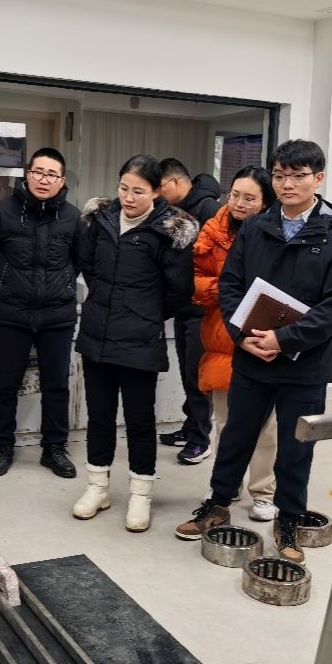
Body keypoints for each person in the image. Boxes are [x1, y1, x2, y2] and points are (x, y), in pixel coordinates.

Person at [176, 142, 332, 562]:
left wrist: (285, 340)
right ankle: (217, 504)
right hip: (251, 356)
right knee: (235, 437)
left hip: (305, 365)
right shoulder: (256, 227)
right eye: (279, 175)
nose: (287, 184)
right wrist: (241, 335)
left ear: (319, 178)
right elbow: (230, 285)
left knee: (296, 448)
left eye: (298, 176)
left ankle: (289, 519)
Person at [73, 155, 196, 533]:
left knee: (140, 420)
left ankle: (141, 494)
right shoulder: (101, 220)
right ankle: (98, 488)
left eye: (138, 191)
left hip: (140, 340)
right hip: (97, 334)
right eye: (124, 188)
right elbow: (87, 265)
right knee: (99, 417)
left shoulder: (167, 231)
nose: (128, 197)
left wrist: (144, 313)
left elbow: (179, 291)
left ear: (157, 192)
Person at [0, 148, 80, 479]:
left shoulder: (74, 218)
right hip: (11, 314)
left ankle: (55, 449)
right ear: (27, 174)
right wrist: (5, 290)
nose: (43, 180)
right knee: (5, 385)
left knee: (56, 386)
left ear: (61, 180)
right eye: (38, 172)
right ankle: (1, 447)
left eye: (51, 174)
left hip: (57, 316)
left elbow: (79, 262)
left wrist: (60, 287)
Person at [190, 166, 280, 522]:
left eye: (249, 198)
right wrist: (228, 290)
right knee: (226, 423)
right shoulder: (213, 230)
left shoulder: (276, 233)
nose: (239, 204)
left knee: (266, 427)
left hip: (263, 335)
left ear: (265, 202)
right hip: (222, 335)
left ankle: (263, 492)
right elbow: (196, 279)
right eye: (235, 195)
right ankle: (226, 487)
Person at [156, 158, 220, 463]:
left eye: (159, 187)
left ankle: (200, 439)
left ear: (175, 182)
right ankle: (190, 426)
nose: (157, 194)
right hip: (185, 306)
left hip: (202, 309)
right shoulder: (178, 210)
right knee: (186, 372)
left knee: (197, 376)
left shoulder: (208, 210)